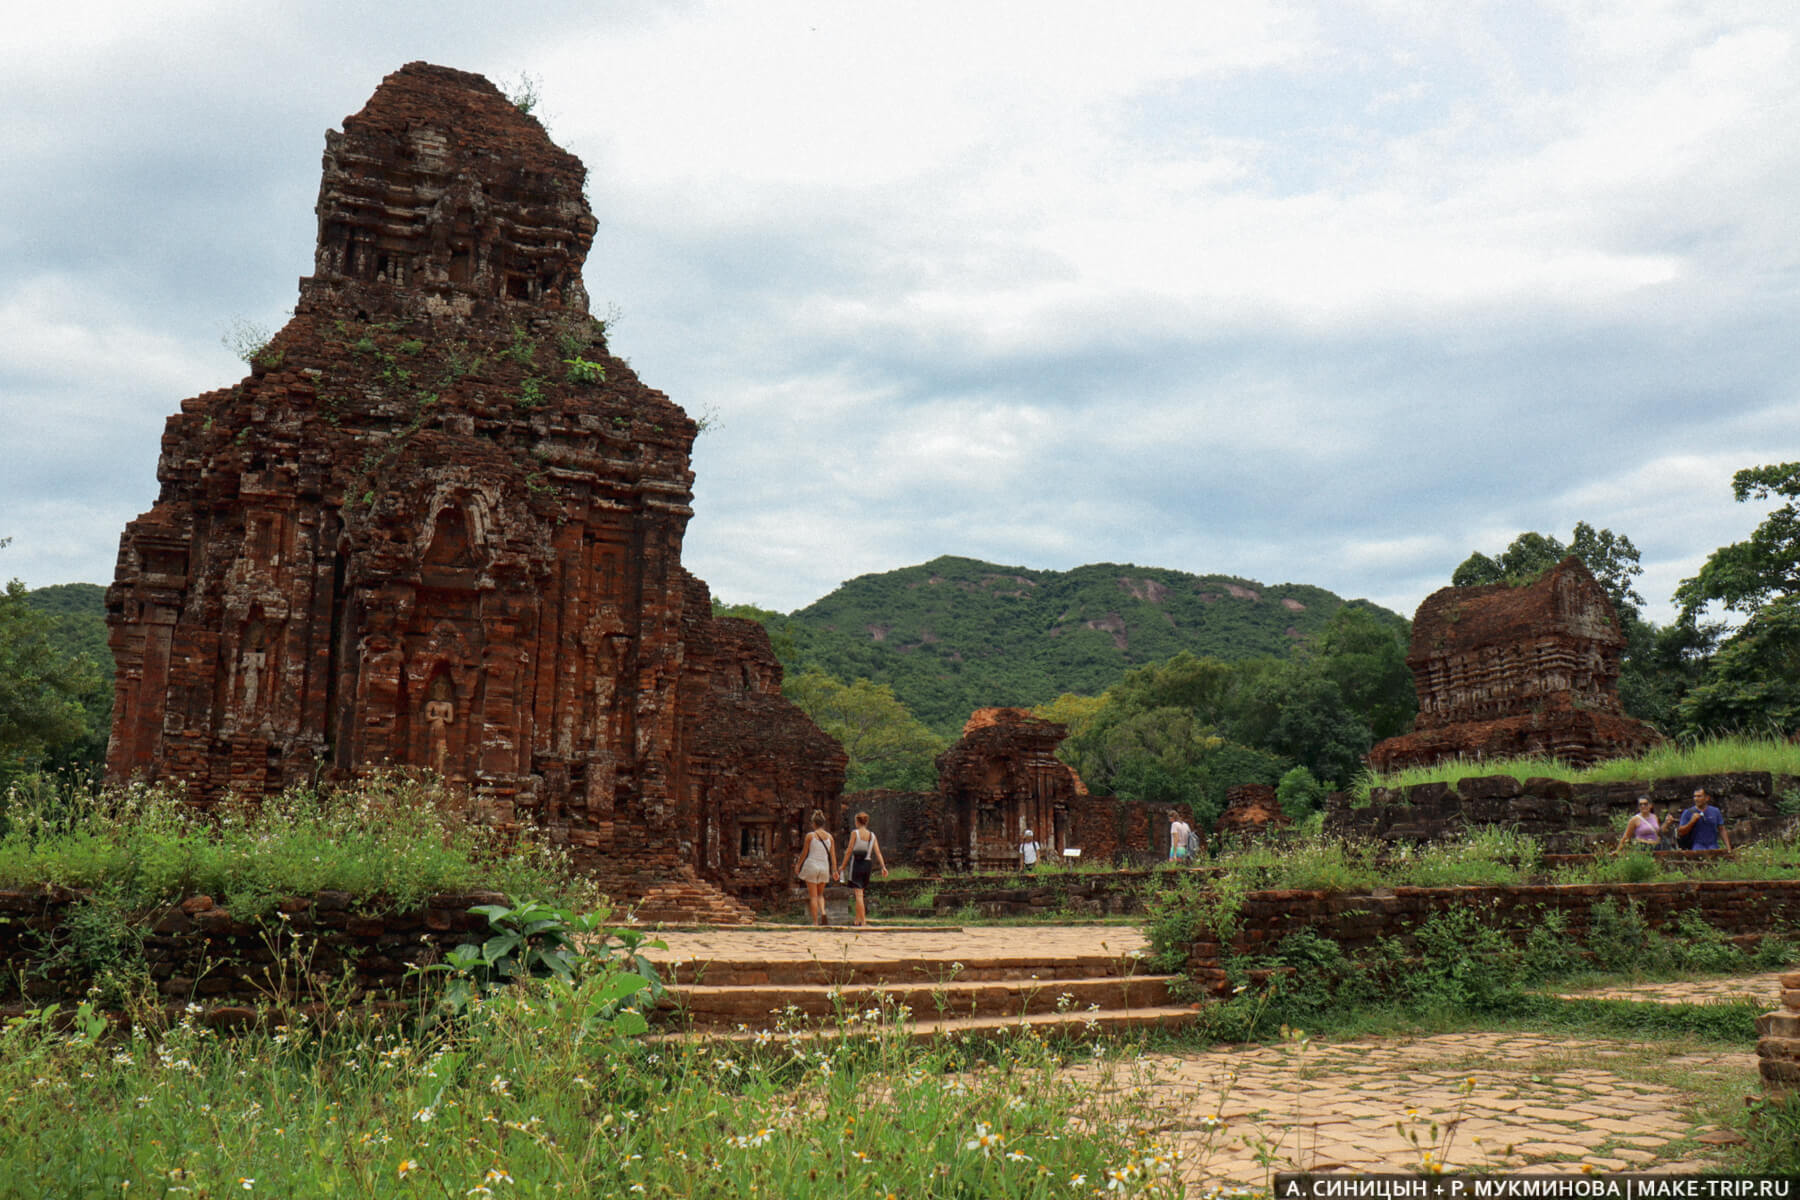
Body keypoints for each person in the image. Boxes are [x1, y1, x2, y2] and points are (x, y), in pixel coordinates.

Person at [836, 811, 888, 926]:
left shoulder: (855, 833)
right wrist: (883, 867)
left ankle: (863, 920)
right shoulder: (872, 835)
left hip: (857, 864)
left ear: (857, 822)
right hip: (867, 864)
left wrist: (843, 866)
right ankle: (857, 919)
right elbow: (878, 852)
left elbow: (849, 851)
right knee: (860, 892)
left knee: (858, 894)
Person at [793, 809, 836, 925]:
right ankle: (823, 911)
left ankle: (815, 922)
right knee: (820, 894)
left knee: (813, 896)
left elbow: (804, 853)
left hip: (812, 865)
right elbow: (833, 856)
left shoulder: (810, 836)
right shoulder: (830, 837)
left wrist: (798, 865)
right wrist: (835, 870)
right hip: (824, 866)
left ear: (814, 823)